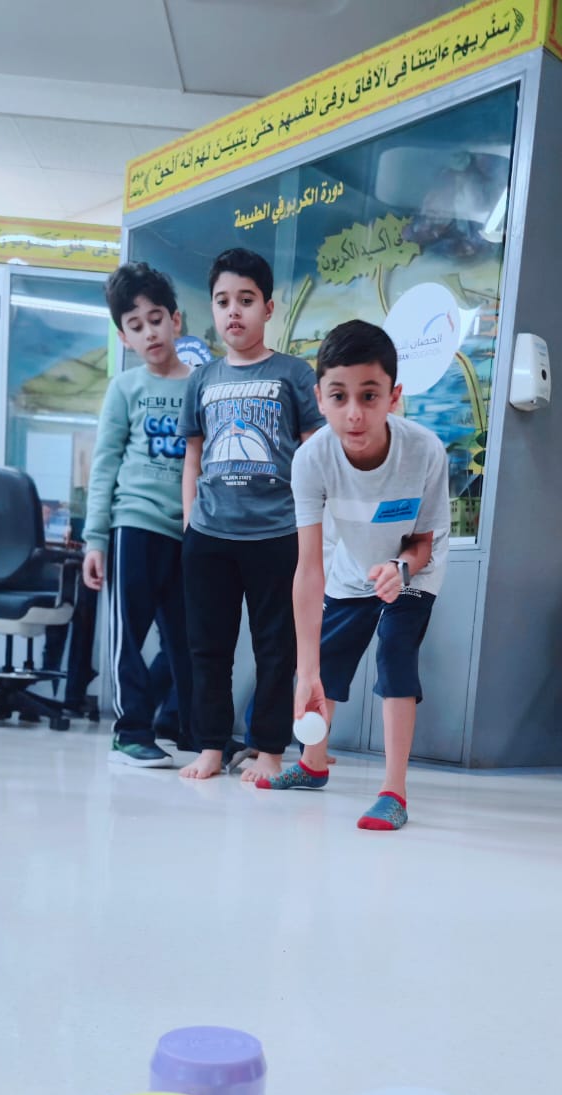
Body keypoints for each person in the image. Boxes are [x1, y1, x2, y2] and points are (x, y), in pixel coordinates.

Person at [257, 319, 449, 831]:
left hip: (414, 569)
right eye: (339, 396)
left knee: (395, 653)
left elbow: (423, 541)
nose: (355, 413)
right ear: (319, 398)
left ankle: (394, 791)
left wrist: (399, 569)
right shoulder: (311, 459)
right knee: (329, 660)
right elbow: (308, 567)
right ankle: (312, 764)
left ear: (394, 397)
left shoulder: (425, 450)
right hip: (351, 564)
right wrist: (306, 670)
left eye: (370, 395)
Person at [177, 247, 322, 783]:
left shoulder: (294, 373)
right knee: (208, 649)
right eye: (222, 301)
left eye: (246, 300)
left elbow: (313, 452)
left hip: (277, 534)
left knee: (276, 649)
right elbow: (193, 455)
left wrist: (311, 528)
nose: (233, 311)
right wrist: (190, 521)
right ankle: (210, 747)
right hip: (209, 536)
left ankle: (269, 751)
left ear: (268, 307)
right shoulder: (202, 379)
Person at [82, 262, 193, 767]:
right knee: (129, 635)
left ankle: (189, 727)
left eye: (156, 319)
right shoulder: (125, 389)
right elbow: (104, 465)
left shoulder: (201, 385)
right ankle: (130, 732)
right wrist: (95, 539)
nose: (149, 332)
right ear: (124, 337)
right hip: (134, 525)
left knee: (187, 639)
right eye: (136, 325)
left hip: (188, 532)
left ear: (176, 320)